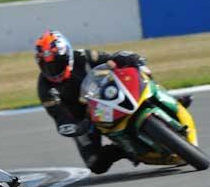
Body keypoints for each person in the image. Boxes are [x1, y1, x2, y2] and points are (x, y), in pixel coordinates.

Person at [35, 29, 191, 174]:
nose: (53, 69)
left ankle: (166, 99)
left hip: (104, 96)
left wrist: (123, 58)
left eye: (57, 63)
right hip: (83, 119)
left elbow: (110, 60)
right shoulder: (45, 88)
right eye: (47, 66)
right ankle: (123, 149)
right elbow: (60, 118)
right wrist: (75, 126)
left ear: (67, 54)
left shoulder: (83, 57)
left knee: (140, 72)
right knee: (95, 164)